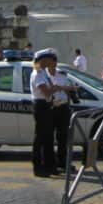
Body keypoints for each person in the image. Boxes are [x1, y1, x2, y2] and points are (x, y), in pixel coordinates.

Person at [31, 48, 75, 178]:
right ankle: (38, 167)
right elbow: (46, 92)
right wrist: (57, 88)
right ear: (43, 60)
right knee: (40, 138)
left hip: (47, 105)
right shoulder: (38, 73)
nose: (52, 61)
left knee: (48, 138)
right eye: (50, 58)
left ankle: (50, 166)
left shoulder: (43, 73)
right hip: (41, 106)